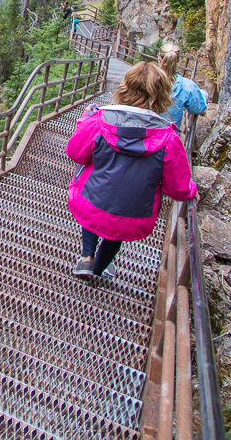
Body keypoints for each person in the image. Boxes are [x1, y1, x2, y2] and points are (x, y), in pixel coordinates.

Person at [66, 62, 198, 279]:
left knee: (97, 192)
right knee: (119, 218)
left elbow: (75, 153)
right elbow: (177, 188)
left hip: (90, 204)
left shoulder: (99, 121)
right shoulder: (169, 139)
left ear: (125, 87)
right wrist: (191, 190)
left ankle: (86, 258)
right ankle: (99, 270)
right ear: (162, 95)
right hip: (133, 215)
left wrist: (84, 121)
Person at [158, 42, 208, 128]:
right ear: (178, 60)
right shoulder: (186, 86)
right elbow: (197, 107)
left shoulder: (145, 81)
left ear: (159, 58)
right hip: (169, 138)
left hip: (144, 137)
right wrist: (203, 94)